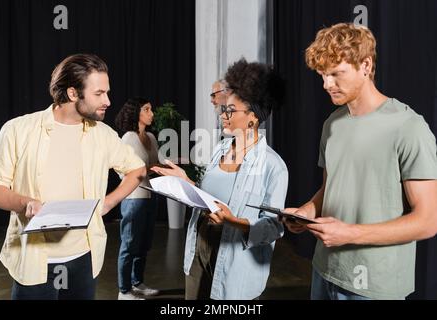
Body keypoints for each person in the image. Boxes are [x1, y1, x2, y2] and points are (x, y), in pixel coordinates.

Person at [282, 23, 437, 300]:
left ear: (365, 65)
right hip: (324, 270)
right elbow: (330, 189)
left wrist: (349, 233)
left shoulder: (409, 127)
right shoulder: (333, 123)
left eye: (336, 74)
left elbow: (428, 220)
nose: (327, 84)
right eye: (322, 75)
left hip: (374, 286)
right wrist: (307, 211)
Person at [0, 54, 146, 300]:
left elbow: (137, 170)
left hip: (84, 260)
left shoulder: (103, 135)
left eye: (107, 92)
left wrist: (108, 203)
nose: (108, 101)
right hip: (34, 261)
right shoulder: (18, 130)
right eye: (99, 93)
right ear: (73, 94)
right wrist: (25, 203)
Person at [152, 58, 288, 300]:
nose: (223, 116)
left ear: (253, 118)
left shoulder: (273, 166)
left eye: (230, 110)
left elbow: (273, 227)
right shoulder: (220, 149)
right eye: (224, 109)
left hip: (236, 262)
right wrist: (186, 182)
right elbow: (208, 198)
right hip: (199, 248)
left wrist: (233, 221)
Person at [114, 97, 160, 300]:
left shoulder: (151, 137)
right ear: (136, 113)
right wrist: (151, 168)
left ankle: (137, 282)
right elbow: (124, 171)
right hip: (133, 198)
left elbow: (155, 164)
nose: (152, 113)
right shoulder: (127, 139)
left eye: (151, 109)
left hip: (151, 196)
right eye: (147, 109)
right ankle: (124, 290)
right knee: (129, 244)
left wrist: (168, 166)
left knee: (144, 244)